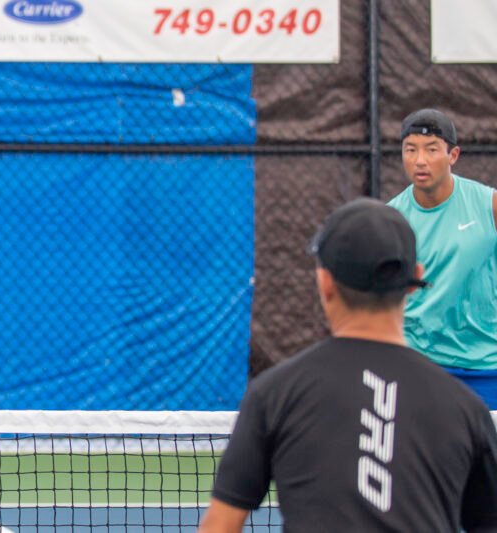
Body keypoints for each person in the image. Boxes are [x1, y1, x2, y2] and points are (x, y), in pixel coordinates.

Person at [198, 198, 497, 532]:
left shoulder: (273, 394)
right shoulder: (467, 409)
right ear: (416, 278)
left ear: (324, 283)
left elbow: (219, 526)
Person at [387, 108, 497, 408]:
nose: (420, 160)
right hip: (420, 368)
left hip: (487, 367)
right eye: (410, 150)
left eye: (431, 149)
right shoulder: (391, 219)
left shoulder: (490, 205)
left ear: (453, 155)